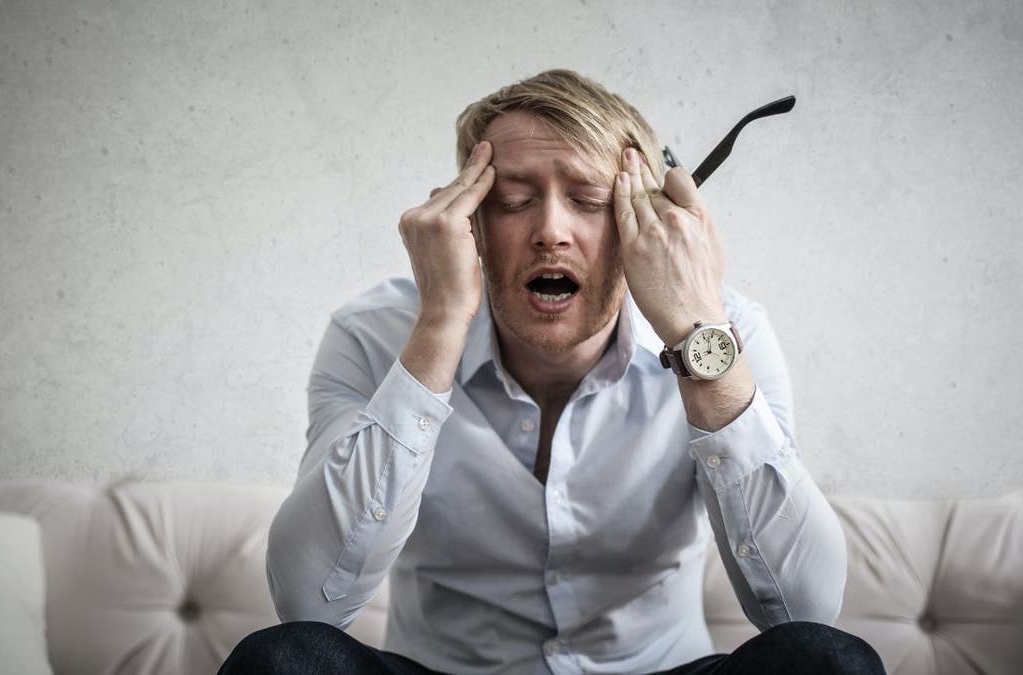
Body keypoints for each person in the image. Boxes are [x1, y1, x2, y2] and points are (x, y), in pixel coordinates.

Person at [221, 69, 884, 674]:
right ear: (469, 220)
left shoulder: (728, 331)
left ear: (646, 223)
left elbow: (805, 611)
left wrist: (698, 336)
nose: (551, 231)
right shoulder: (372, 335)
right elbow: (309, 602)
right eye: (512, 199)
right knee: (281, 661)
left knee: (827, 663)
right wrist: (439, 325)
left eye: (590, 199)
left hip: (658, 673)